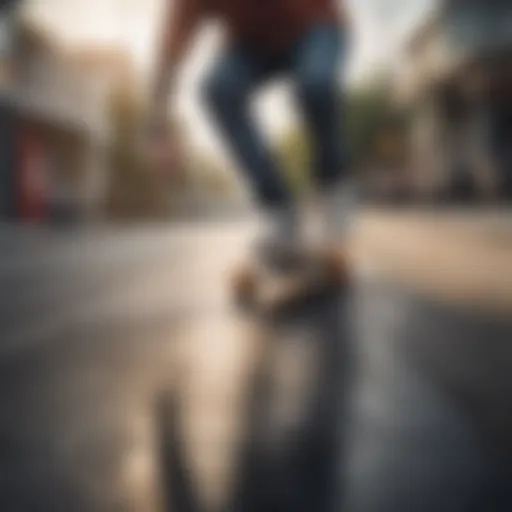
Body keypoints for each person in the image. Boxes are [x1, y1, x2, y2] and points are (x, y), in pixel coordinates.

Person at [147, 0, 353, 264]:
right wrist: (159, 127)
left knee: (315, 85)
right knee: (219, 90)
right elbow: (170, 47)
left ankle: (333, 186)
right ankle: (279, 209)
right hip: (251, 46)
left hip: (316, 26)